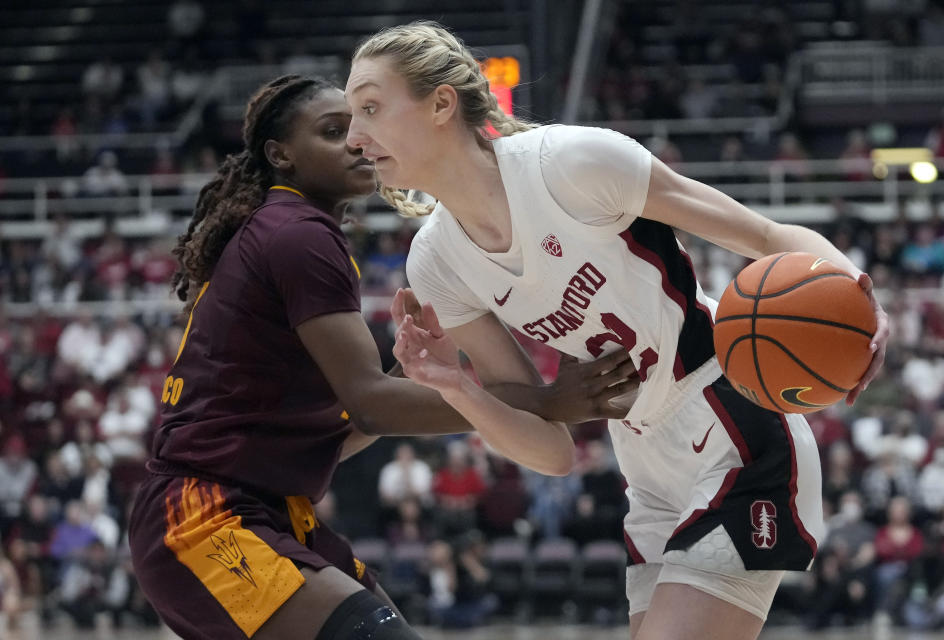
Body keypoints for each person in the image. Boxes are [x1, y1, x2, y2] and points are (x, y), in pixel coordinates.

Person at [344, 22, 890, 640]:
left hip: (732, 418)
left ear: (441, 103)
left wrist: (854, 295)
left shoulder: (570, 164)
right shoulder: (436, 262)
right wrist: (458, 389)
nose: (355, 136)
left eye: (369, 107)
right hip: (643, 460)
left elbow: (764, 237)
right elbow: (551, 451)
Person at [127, 74, 639, 640]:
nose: (356, 140)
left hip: (259, 512)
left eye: (361, 126)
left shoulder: (283, 231)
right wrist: (546, 401)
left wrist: (411, 377)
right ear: (282, 156)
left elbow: (344, 431)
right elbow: (371, 407)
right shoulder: (298, 234)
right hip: (206, 518)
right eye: (332, 130)